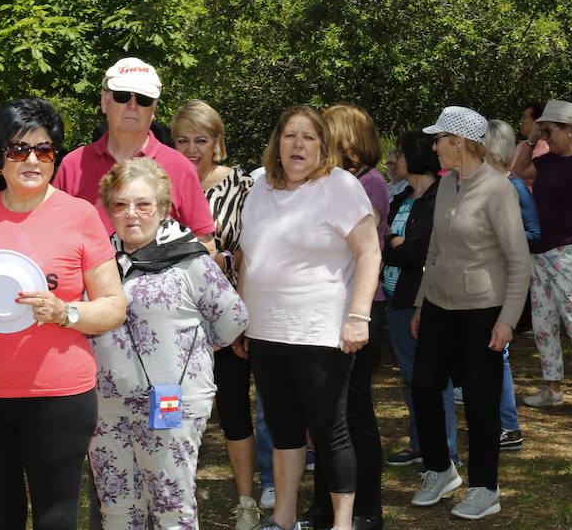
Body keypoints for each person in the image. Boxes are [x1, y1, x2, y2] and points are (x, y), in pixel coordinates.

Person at [0, 97, 126, 530]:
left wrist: (65, 312)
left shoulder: (82, 216)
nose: (32, 159)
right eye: (18, 150)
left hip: (57, 396)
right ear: (0, 160)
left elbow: (113, 307)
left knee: (56, 518)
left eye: (44, 149)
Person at [239, 105, 381, 530]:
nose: (297, 145)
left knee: (327, 428)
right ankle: (283, 519)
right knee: (282, 429)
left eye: (308, 137)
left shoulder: (339, 186)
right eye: (289, 135)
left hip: (321, 332)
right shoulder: (260, 188)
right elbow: (250, 258)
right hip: (265, 331)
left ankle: (341, 523)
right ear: (276, 143)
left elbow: (370, 253)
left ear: (324, 146)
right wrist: (243, 320)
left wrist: (359, 316)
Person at [89, 157, 248, 529]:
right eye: (120, 204)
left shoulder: (189, 259)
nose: (132, 214)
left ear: (162, 208)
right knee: (115, 507)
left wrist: (191, 353)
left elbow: (234, 318)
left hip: (171, 402)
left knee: (171, 507)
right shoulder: (97, 259)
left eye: (144, 204)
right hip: (107, 403)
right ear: (108, 209)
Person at [409, 106, 530, 521]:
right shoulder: (446, 185)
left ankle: (485, 487)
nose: (434, 146)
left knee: (479, 401)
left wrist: (507, 320)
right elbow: (435, 251)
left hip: (484, 310)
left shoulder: (498, 189)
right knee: (424, 385)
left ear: (459, 143)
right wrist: (423, 302)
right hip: (440, 307)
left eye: (438, 139)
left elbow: (519, 261)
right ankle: (441, 469)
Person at [170, 99, 267, 529]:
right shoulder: (158, 183)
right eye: (182, 140)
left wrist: (225, 266)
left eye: (201, 140)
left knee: (232, 409)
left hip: (223, 316)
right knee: (168, 408)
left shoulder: (244, 188)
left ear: (218, 143)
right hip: (170, 321)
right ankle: (172, 493)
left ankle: (246, 500)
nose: (192, 149)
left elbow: (253, 252)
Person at [303, 104, 387, 530]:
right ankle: (325, 506)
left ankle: (367, 509)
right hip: (328, 313)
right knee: (325, 417)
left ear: (346, 138)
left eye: (323, 131)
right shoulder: (333, 182)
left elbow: (360, 251)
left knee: (353, 415)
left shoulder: (368, 183)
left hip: (359, 312)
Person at [53, 57, 216, 257]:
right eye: (122, 96)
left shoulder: (180, 166)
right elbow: (53, 237)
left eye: (143, 99)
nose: (132, 105)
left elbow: (205, 246)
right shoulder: (73, 164)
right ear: (105, 101)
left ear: (153, 109)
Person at [513, 99, 572, 418]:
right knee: (542, 324)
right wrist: (530, 140)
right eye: (541, 129)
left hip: (571, 252)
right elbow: (519, 170)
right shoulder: (548, 161)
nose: (544, 136)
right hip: (541, 252)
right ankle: (553, 389)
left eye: (548, 129)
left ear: (569, 130)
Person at [382, 131, 460, 469]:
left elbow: (421, 252)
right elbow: (384, 245)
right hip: (396, 298)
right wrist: (397, 244)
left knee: (432, 379)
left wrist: (400, 245)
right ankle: (420, 444)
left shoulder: (438, 197)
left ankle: (445, 453)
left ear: (414, 156)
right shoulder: (401, 199)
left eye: (399, 152)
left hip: (424, 301)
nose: (393, 158)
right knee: (412, 379)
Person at [482, 119, 541, 451]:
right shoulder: (478, 184)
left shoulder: (515, 186)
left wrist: (501, 240)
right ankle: (496, 420)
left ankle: (509, 426)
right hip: (481, 281)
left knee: (497, 352)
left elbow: (534, 234)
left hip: (504, 280)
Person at [509, 102, 548, 190]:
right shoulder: (521, 145)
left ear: (537, 123)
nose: (521, 121)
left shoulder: (547, 150)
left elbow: (519, 172)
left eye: (525, 117)